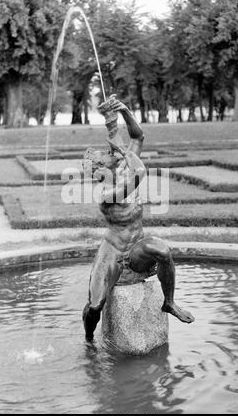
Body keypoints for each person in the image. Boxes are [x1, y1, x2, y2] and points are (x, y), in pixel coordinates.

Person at [82, 97, 194, 341]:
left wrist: (123, 112)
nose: (109, 154)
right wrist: (123, 151)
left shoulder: (122, 169)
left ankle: (170, 302)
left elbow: (138, 138)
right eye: (104, 157)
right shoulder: (106, 195)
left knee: (163, 251)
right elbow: (140, 172)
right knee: (95, 306)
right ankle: (89, 339)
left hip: (135, 247)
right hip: (113, 252)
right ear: (100, 171)